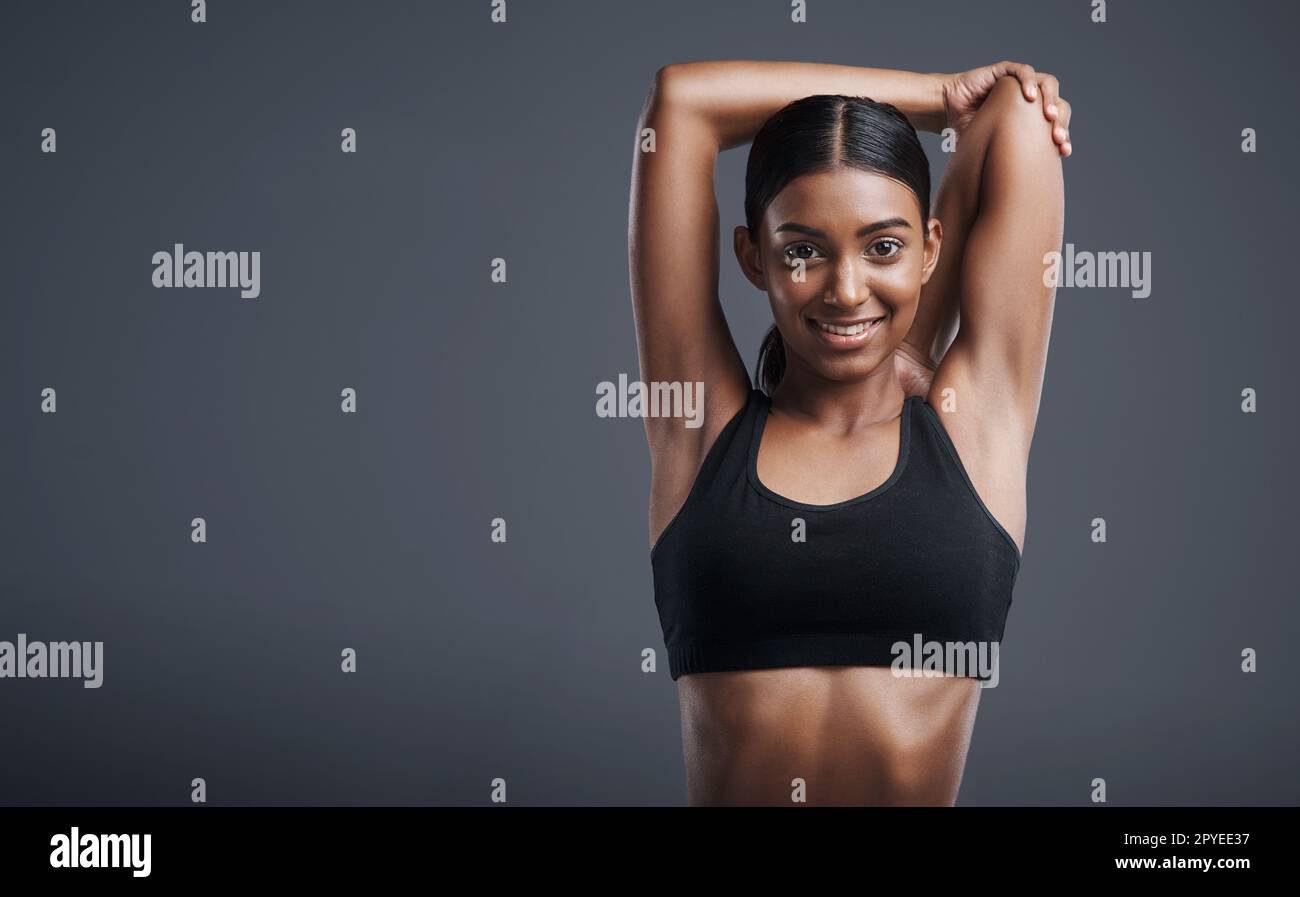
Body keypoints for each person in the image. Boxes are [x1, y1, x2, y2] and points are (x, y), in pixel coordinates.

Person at [628, 59, 1069, 805]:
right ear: (752, 256)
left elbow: (1016, 113)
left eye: (884, 246)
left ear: (931, 249)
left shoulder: (974, 428)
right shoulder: (701, 430)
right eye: (803, 249)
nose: (846, 288)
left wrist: (912, 347)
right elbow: (681, 102)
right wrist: (936, 97)